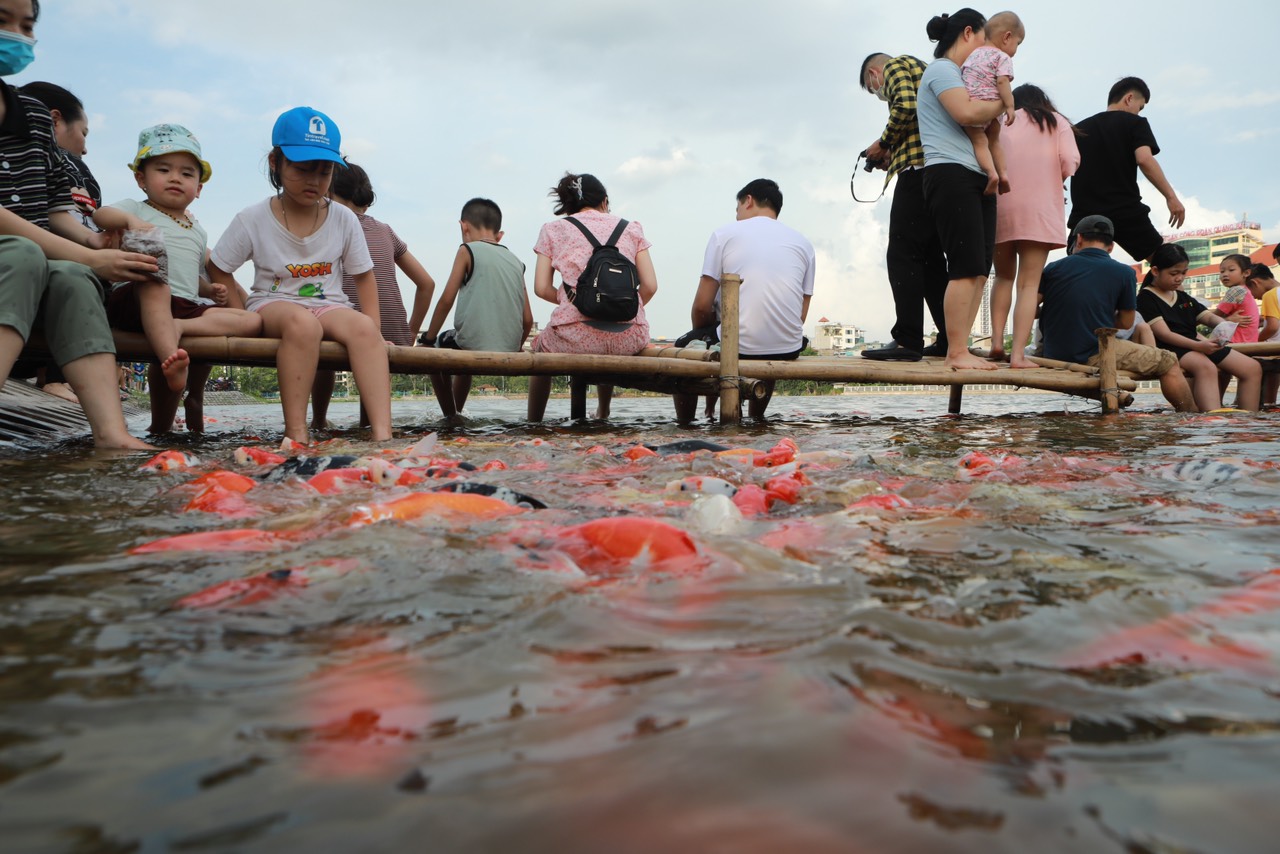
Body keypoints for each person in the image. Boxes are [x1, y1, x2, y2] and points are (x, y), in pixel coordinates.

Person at [0, 0, 154, 450]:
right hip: (16, 259)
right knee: (27, 253)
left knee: (73, 277)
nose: (14, 34)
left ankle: (111, 433)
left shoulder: (30, 114)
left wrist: (93, 243)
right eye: (1, 20)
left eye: (24, 25)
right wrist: (90, 253)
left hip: (31, 262)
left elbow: (52, 207)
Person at [208, 106, 393, 443]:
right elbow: (219, 267)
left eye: (324, 173)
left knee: (365, 328)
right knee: (302, 324)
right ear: (275, 163)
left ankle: (384, 436)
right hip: (273, 304)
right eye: (303, 169)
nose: (314, 181)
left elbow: (364, 277)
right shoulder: (252, 218)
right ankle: (296, 434)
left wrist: (376, 331)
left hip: (329, 303)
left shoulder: (344, 218)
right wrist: (237, 315)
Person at [94, 124, 261, 434]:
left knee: (249, 321)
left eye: (186, 174)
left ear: (198, 188)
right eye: (164, 169)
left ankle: (162, 423)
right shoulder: (136, 208)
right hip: (134, 297)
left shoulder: (197, 230)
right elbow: (100, 215)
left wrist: (210, 289)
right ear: (141, 179)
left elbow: (190, 274)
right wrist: (130, 221)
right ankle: (169, 361)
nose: (175, 178)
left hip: (181, 306)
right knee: (154, 282)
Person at [672, 179, 815, 422]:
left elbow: (702, 305)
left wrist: (702, 333)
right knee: (770, 336)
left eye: (737, 207)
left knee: (682, 347)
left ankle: (686, 424)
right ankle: (757, 419)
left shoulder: (724, 234)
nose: (737, 215)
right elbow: (801, 312)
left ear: (748, 200)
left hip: (739, 345)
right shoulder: (804, 243)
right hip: (787, 347)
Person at [310, 160, 436, 431]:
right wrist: (410, 331)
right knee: (370, 425)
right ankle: (370, 424)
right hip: (394, 333)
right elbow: (426, 283)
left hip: (349, 329)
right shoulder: (385, 231)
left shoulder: (329, 227)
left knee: (323, 356)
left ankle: (319, 421)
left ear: (328, 194)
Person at [527, 172, 657, 421]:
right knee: (608, 322)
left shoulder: (553, 230)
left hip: (574, 337)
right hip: (630, 337)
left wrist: (577, 302)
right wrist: (617, 306)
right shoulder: (631, 229)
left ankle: (535, 422)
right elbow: (650, 286)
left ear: (568, 207)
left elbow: (541, 288)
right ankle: (603, 412)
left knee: (540, 351)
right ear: (605, 201)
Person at [917, 8, 1006, 371]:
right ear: (968, 33)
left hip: (975, 176)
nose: (985, 53)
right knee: (965, 266)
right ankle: (955, 351)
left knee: (981, 269)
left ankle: (962, 347)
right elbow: (968, 114)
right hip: (949, 173)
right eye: (984, 42)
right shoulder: (941, 70)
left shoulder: (966, 76)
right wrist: (1007, 100)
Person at [1038, 216, 1194, 412]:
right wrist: (1098, 317)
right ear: (1111, 247)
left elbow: (1033, 310)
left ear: (1078, 239)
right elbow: (1127, 322)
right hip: (1093, 353)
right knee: (1169, 361)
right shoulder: (1124, 273)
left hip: (1052, 353)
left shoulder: (1053, 268)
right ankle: (1190, 416)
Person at [858, 52, 948, 362]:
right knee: (934, 262)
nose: (877, 92)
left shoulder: (896, 65)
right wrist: (890, 152)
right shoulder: (927, 72)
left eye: (873, 88)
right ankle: (949, 338)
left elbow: (905, 106)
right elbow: (917, 118)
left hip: (916, 172)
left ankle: (907, 339)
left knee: (902, 254)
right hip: (940, 172)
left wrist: (883, 143)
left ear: (874, 73)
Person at [17, 81, 97, 402]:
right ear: (55, 120)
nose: (86, 147)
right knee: (75, 276)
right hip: (48, 264)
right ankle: (55, 377)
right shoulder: (58, 162)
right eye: (85, 134)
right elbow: (58, 219)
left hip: (61, 261)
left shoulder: (71, 166)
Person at [990, 83, 1079, 367]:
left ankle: (994, 342)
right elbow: (1070, 160)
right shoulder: (1056, 122)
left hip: (1000, 204)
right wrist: (1057, 177)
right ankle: (1017, 356)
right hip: (1039, 210)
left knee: (1003, 276)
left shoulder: (1001, 120)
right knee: (1028, 285)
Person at [419, 198, 532, 418]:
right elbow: (527, 319)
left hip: (470, 345)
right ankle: (458, 411)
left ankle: (451, 414)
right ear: (499, 232)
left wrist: (428, 339)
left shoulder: (466, 250)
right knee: (460, 354)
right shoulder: (517, 261)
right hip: (509, 348)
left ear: (464, 226)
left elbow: (446, 300)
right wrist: (516, 347)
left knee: (437, 348)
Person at [1069, 77, 1184, 262]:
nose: (1138, 113)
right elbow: (1145, 159)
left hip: (1085, 215)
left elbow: (1063, 164)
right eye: (1140, 107)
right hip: (1125, 210)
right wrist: (1171, 197)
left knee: (1078, 271)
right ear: (1129, 98)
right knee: (1166, 265)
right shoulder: (1135, 123)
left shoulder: (1078, 129)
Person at [1137, 243, 1260, 412]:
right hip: (1171, 348)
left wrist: (1222, 324)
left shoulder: (1181, 296)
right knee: (1206, 367)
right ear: (1156, 271)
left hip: (1197, 345)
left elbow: (1207, 316)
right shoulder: (1146, 298)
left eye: (1183, 273)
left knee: (1252, 368)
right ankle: (1211, 418)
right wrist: (1198, 345)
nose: (1179, 278)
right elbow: (1163, 334)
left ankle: (1248, 419)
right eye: (1174, 273)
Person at [958, 11, 1023, 196]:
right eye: (1017, 44)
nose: (1016, 49)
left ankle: (991, 174)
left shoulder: (971, 55)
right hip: (992, 107)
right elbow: (1002, 82)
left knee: (980, 142)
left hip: (974, 106)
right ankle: (1002, 174)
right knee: (994, 141)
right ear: (1007, 37)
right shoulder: (1002, 57)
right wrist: (1010, 106)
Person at [1247, 263, 1280, 405]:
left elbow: (1273, 327)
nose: (1254, 297)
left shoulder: (1270, 295)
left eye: (1250, 291)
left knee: (1255, 364)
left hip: (1275, 351)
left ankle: (1263, 404)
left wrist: (1255, 340)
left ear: (1255, 282)